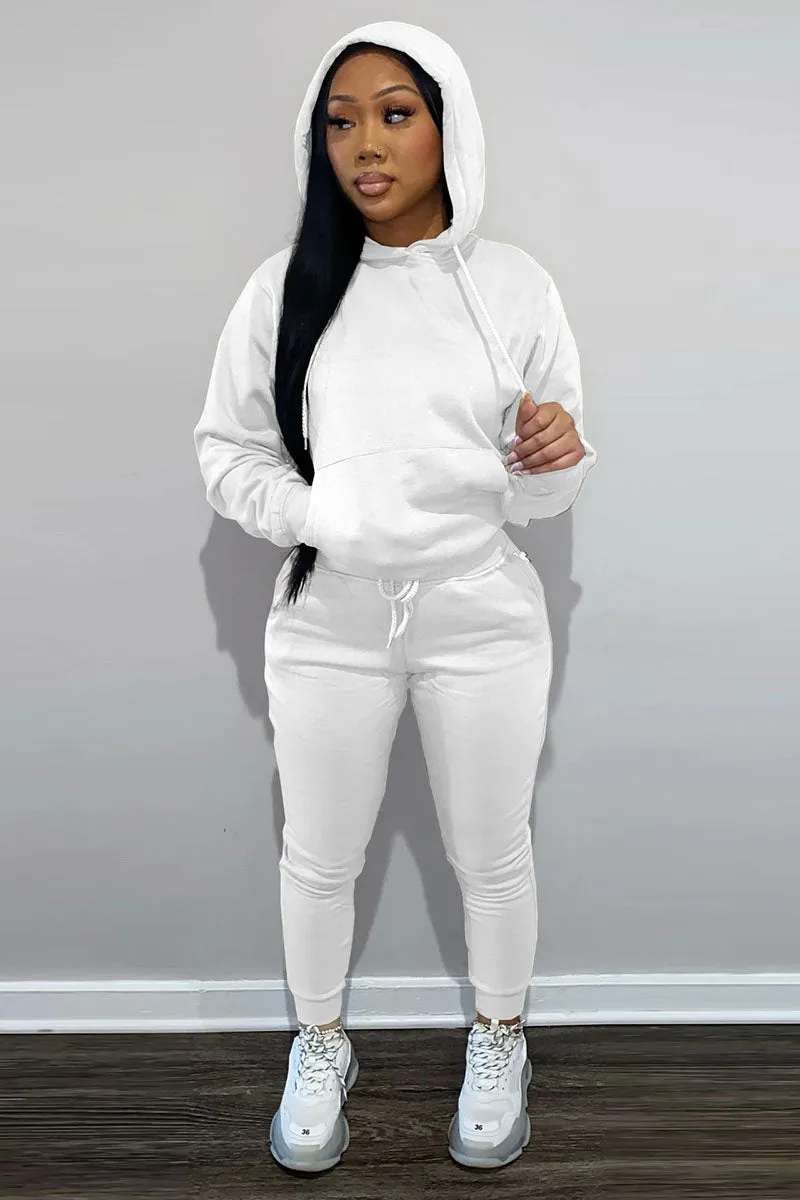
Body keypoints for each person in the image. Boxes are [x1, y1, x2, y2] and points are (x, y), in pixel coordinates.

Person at [193, 20, 596, 1175]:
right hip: (330, 616)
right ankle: (320, 1042)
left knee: (492, 851)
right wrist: (323, 516)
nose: (364, 144)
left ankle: (499, 1035)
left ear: (444, 125)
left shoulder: (511, 287)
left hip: (481, 612)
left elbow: (543, 493)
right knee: (318, 853)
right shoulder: (286, 289)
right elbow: (226, 454)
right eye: (340, 121)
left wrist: (554, 455)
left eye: (393, 114)